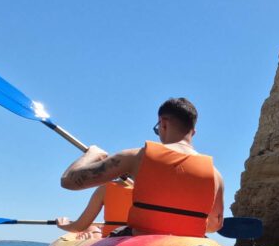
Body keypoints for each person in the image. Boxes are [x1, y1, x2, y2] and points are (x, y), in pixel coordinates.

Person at [60, 98, 224, 236]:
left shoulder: (135, 157)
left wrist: (91, 154)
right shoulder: (215, 175)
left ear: (163, 124)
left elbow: (68, 181)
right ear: (193, 132)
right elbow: (214, 225)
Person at [56, 180, 134, 238]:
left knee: (90, 228)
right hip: (141, 239)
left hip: (112, 238)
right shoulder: (145, 187)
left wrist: (63, 225)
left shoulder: (105, 188)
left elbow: (79, 227)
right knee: (92, 228)